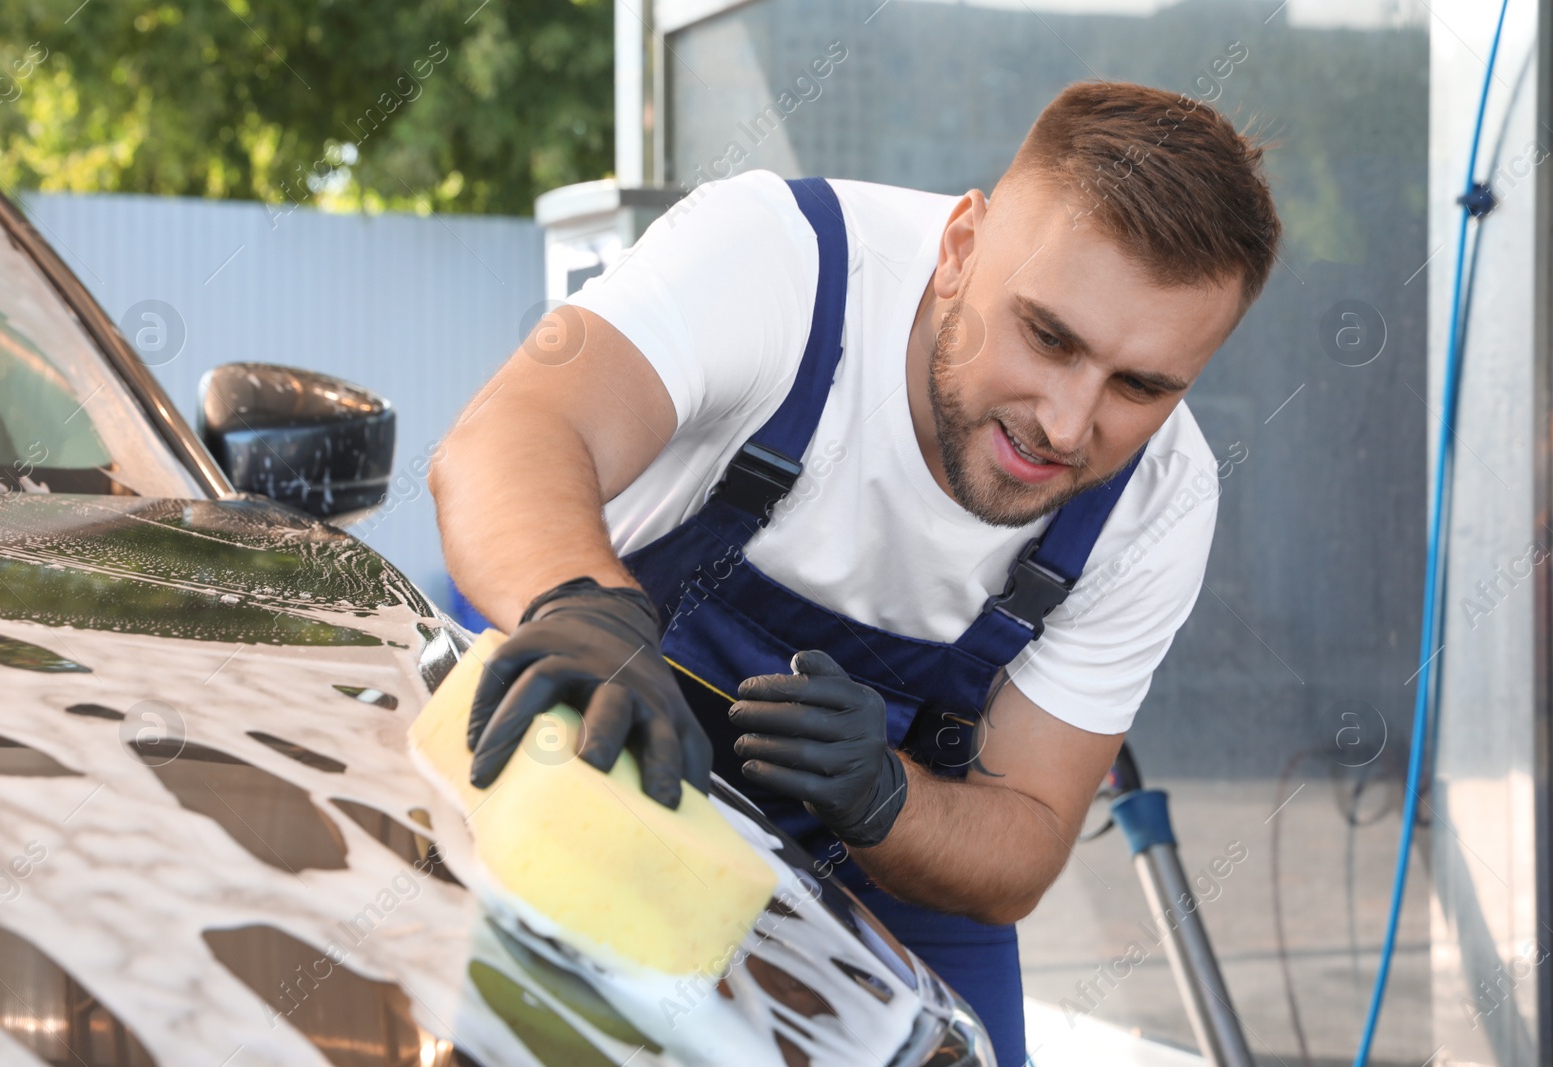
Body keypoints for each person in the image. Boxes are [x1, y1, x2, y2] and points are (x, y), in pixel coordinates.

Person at [430, 80, 1281, 1064]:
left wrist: (883, 795)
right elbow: (510, 436)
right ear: (961, 246)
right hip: (588, 705)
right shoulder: (778, 257)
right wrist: (579, 606)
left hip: (883, 847)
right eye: (1048, 336)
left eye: (1140, 385)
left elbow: (1025, 839)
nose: (1065, 422)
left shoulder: (1161, 499)